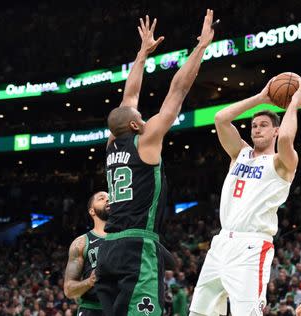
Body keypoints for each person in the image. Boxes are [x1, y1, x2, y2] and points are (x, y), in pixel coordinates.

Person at [95, 10, 215, 316]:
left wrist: (142, 54)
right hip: (137, 246)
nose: (145, 118)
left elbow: (129, 97)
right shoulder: (145, 140)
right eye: (141, 118)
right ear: (136, 127)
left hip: (107, 250)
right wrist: (200, 48)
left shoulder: (112, 143)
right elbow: (178, 90)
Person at [189, 77, 301, 315]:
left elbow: (286, 139)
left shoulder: (282, 163)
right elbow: (221, 119)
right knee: (199, 313)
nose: (257, 129)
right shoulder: (239, 153)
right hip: (221, 242)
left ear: (275, 130)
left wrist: (293, 104)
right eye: (254, 126)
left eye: (264, 125)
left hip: (252, 246)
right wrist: (261, 98)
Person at [64, 191, 110, 316]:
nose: (107, 199)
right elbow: (68, 290)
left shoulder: (126, 237)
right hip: (92, 309)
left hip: (120, 307)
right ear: (92, 211)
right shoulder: (81, 243)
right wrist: (90, 281)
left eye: (110, 198)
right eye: (102, 198)